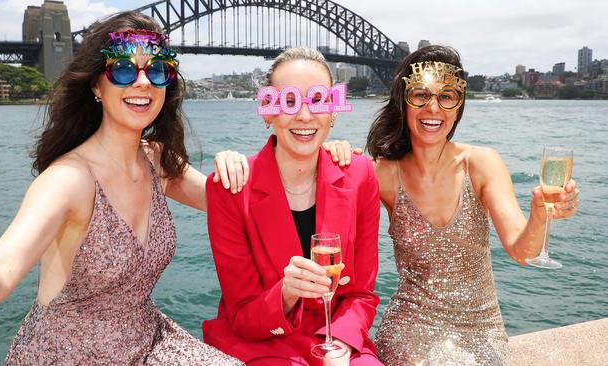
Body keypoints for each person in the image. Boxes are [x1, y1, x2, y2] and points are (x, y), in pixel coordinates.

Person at [0, 11, 247, 365]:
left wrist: (318, 155)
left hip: (148, 342)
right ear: (96, 85)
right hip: (70, 356)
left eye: (157, 70)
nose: (143, 82)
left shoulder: (157, 161)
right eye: (123, 69)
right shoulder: (69, 180)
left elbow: (240, 205)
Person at [365, 45, 579, 365]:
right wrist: (335, 149)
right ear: (403, 101)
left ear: (459, 103)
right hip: (410, 326)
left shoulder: (480, 163)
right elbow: (326, 190)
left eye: (447, 96)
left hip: (480, 327)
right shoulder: (383, 173)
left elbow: (522, 251)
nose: (433, 108)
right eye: (421, 95)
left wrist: (538, 214)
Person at [203, 47, 383, 366]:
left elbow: (361, 295)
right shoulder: (230, 188)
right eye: (288, 101)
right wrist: (287, 293)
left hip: (338, 337)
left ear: (332, 113)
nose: (303, 115)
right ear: (268, 111)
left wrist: (341, 344)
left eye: (317, 100)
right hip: (263, 340)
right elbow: (243, 316)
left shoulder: (360, 175)